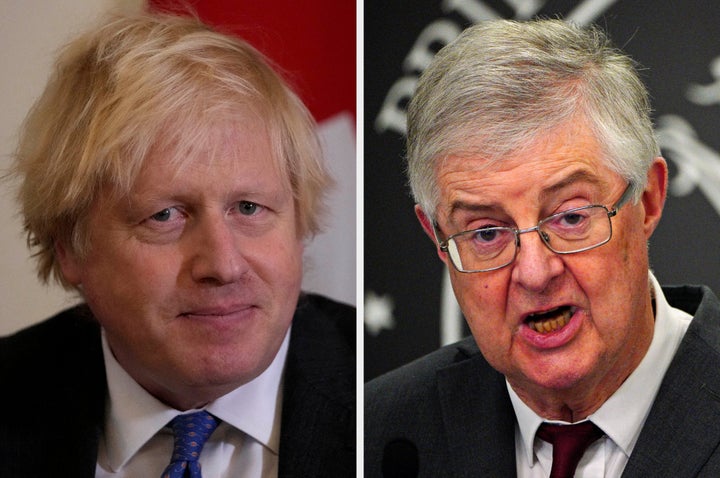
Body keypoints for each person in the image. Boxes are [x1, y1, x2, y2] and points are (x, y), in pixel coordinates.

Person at [0, 11, 355, 477]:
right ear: (70, 247)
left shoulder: (377, 398)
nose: (223, 265)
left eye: (248, 208)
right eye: (164, 215)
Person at [365, 18, 720, 477]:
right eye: (487, 233)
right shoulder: (375, 435)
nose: (535, 273)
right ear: (438, 239)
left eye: (571, 217)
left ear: (647, 200)